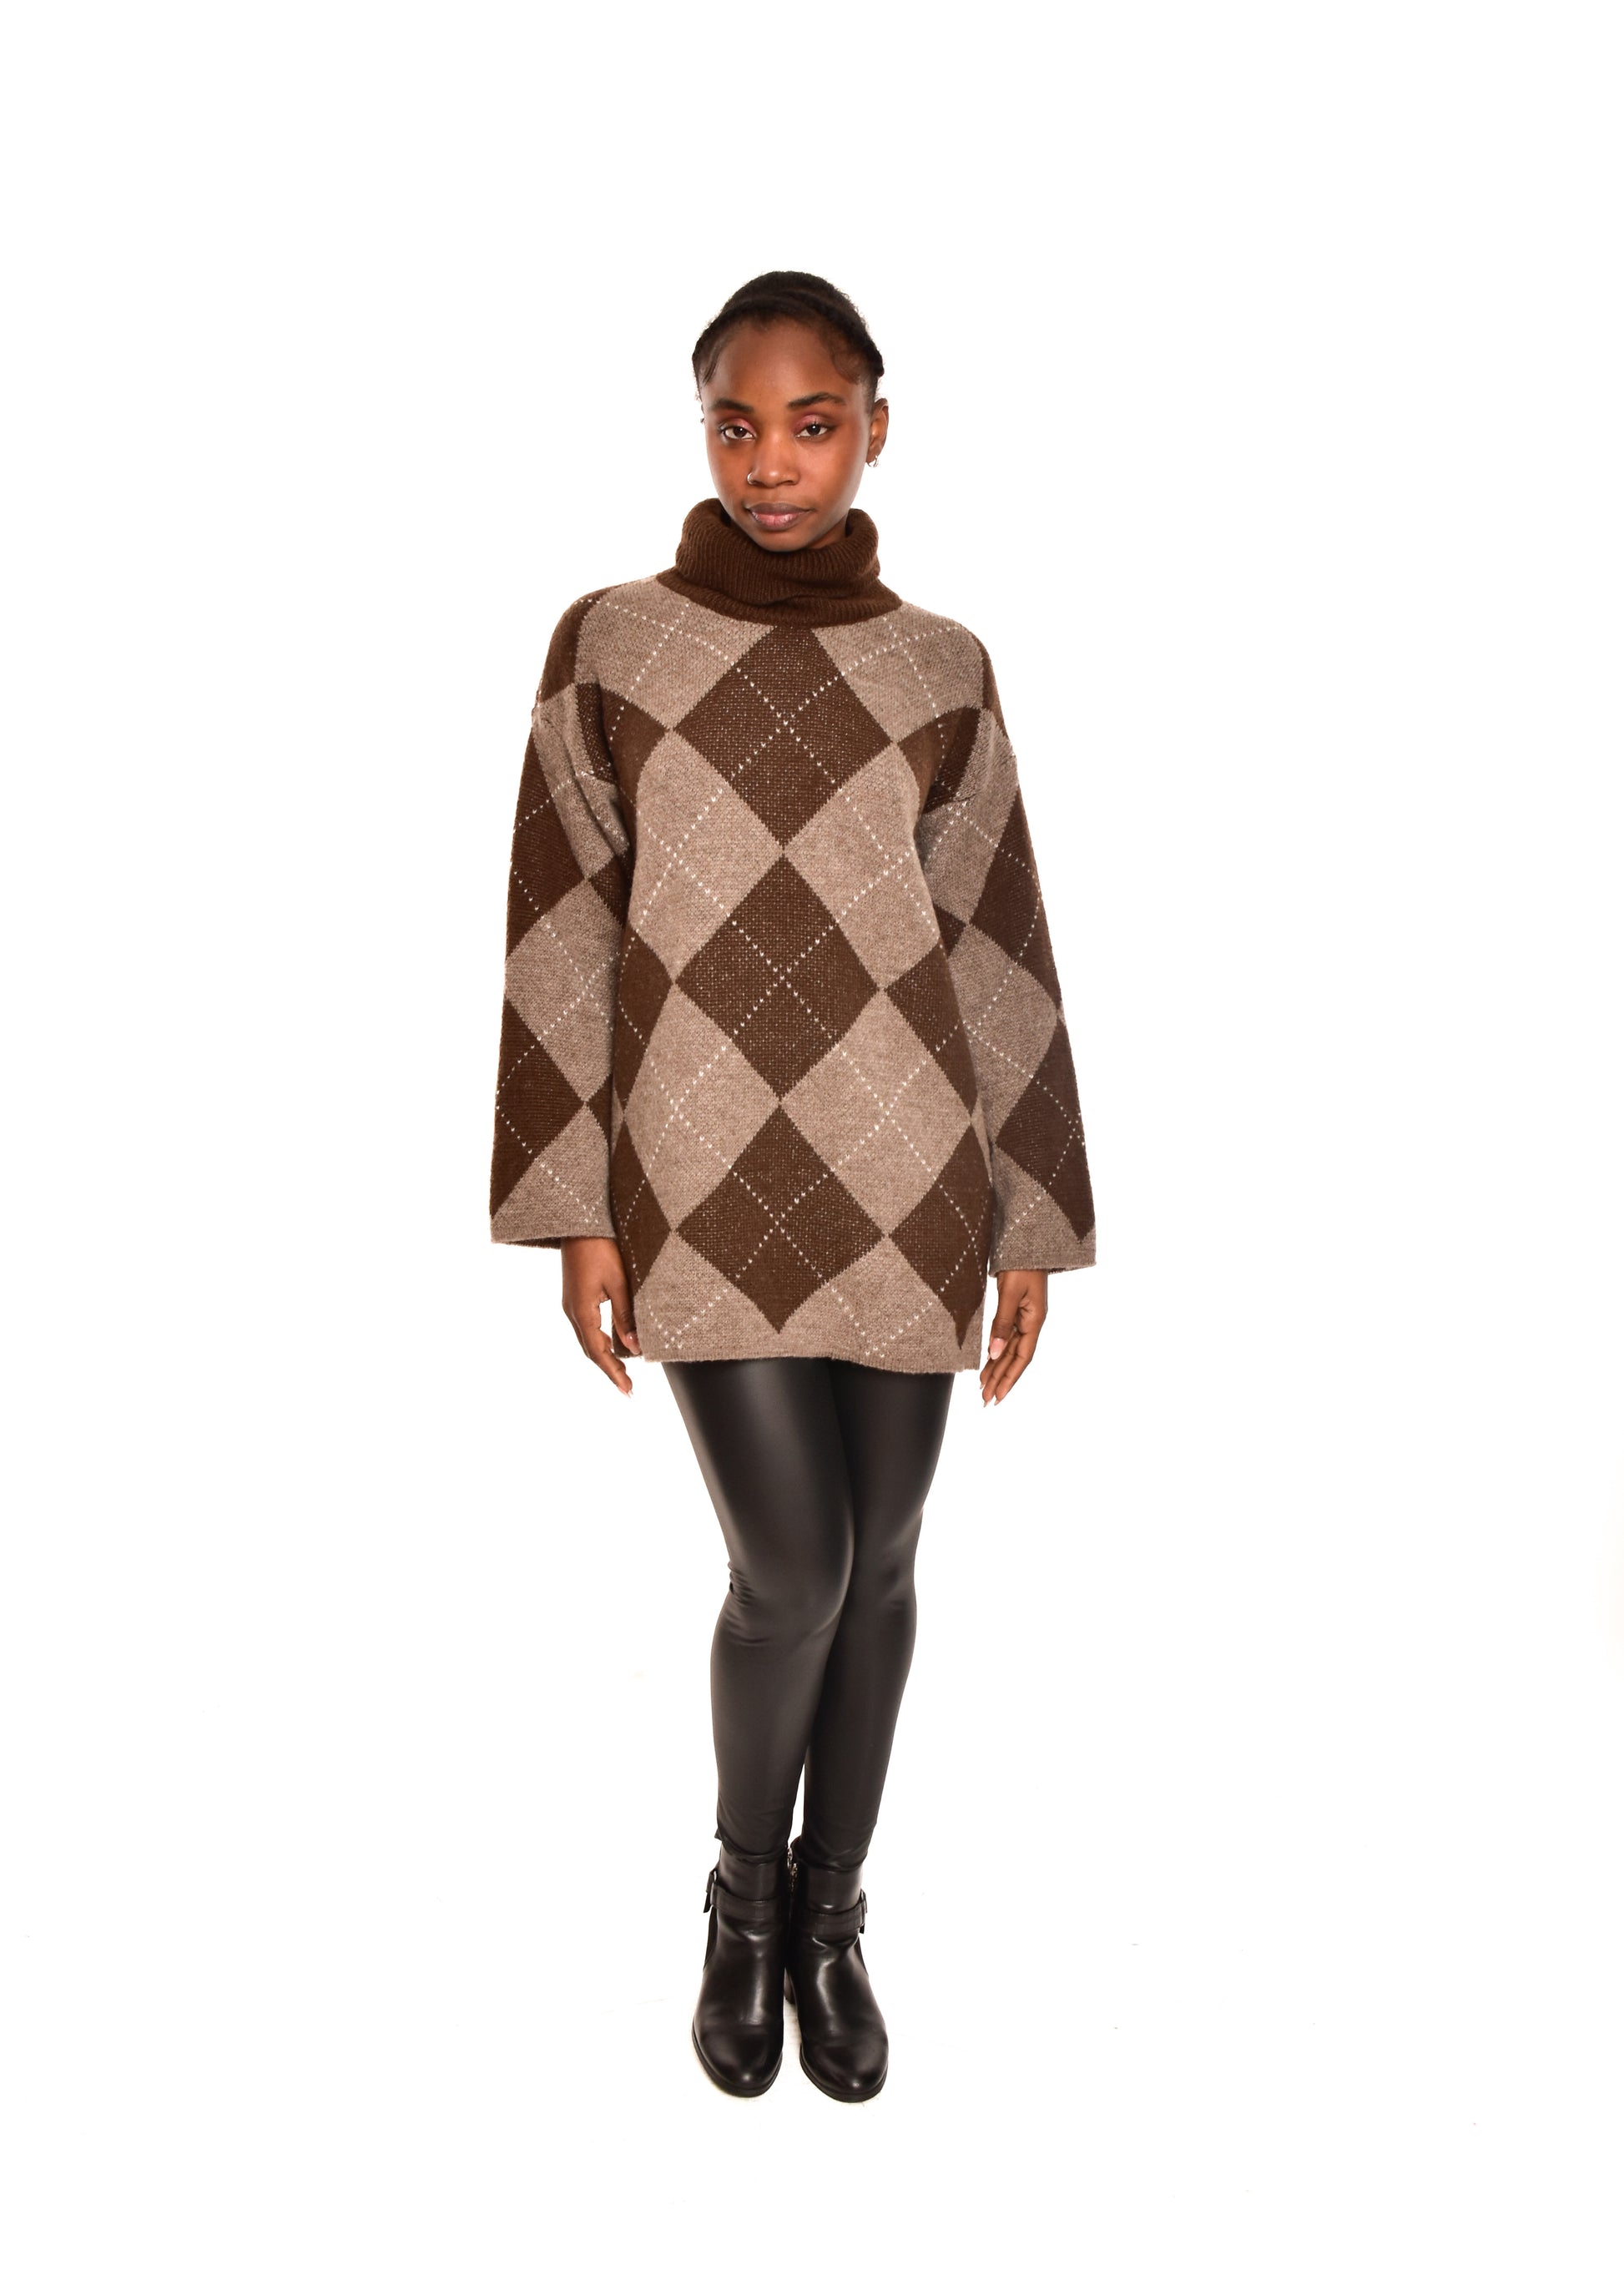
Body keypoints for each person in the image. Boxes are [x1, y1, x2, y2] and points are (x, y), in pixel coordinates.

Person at [488, 272, 1097, 2101]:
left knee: (883, 1563)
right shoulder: (612, 645)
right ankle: (741, 1907)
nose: (770, 463)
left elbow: (995, 939)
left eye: (810, 425)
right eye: (734, 425)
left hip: (913, 1174)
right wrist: (574, 1199)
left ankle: (834, 1919)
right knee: (795, 1566)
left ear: (873, 431)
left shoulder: (941, 668)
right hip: (692, 1170)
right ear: (701, 431)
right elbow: (561, 925)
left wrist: (1032, 1216)